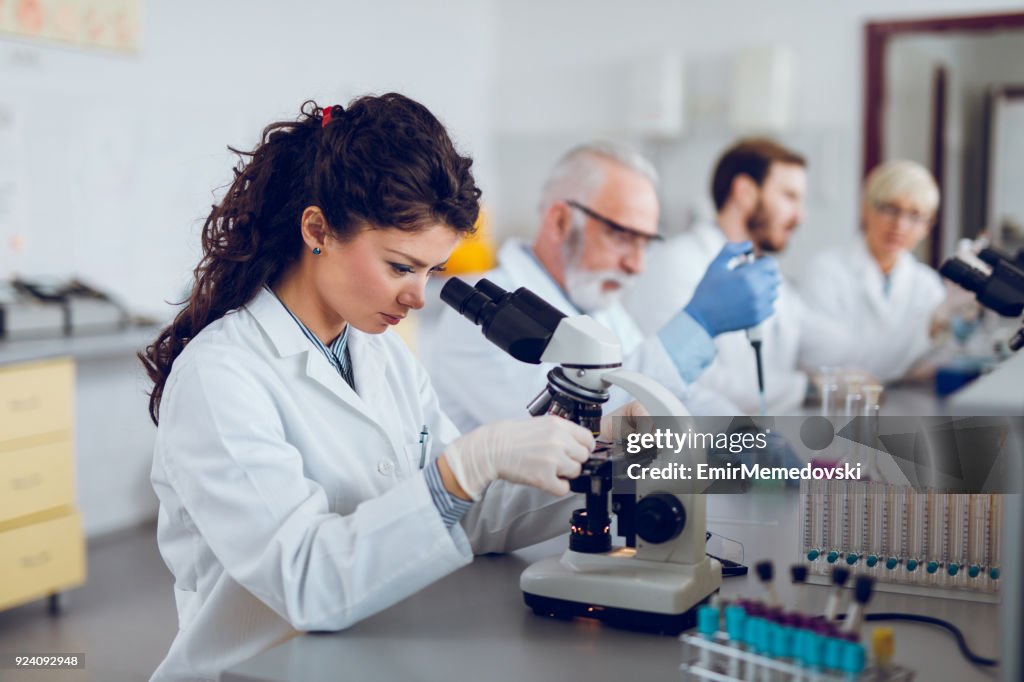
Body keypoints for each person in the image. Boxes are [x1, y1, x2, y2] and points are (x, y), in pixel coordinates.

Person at [141, 95, 607, 682]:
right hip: (258, 668)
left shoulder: (379, 352)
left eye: (431, 272)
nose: (418, 295)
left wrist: (599, 458)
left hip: (371, 649)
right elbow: (306, 581)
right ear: (318, 229)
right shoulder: (221, 376)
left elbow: (461, 516)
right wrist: (461, 468)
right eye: (400, 266)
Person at [422, 141, 781, 432]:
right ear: (561, 221)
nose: (636, 265)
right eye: (623, 236)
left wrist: (748, 437)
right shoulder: (480, 318)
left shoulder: (600, 306)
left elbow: (672, 396)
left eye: (645, 243)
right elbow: (580, 428)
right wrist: (699, 325)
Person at [622, 138, 860, 415]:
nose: (801, 216)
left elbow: (822, 341)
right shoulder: (677, 263)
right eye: (790, 197)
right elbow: (684, 379)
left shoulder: (760, 270)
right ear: (745, 192)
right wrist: (808, 389)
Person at [799, 160, 946, 381]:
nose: (900, 225)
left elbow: (937, 361)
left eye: (915, 216)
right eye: (891, 209)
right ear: (865, 208)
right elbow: (824, 358)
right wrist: (925, 331)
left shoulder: (927, 284)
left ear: (927, 227)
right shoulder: (825, 271)